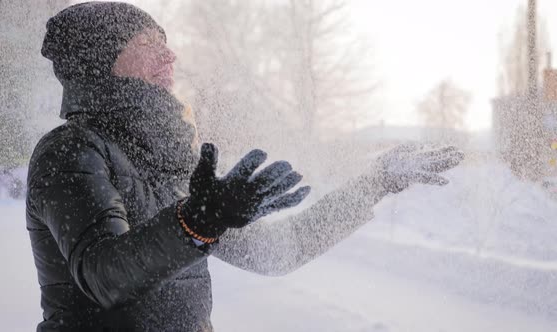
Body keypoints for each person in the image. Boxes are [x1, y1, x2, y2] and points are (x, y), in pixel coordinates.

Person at [27, 2, 464, 331]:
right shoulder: (69, 152)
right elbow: (105, 276)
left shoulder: (171, 162)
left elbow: (283, 249)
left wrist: (374, 184)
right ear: (101, 63)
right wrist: (196, 223)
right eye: (147, 45)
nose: (170, 57)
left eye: (166, 43)